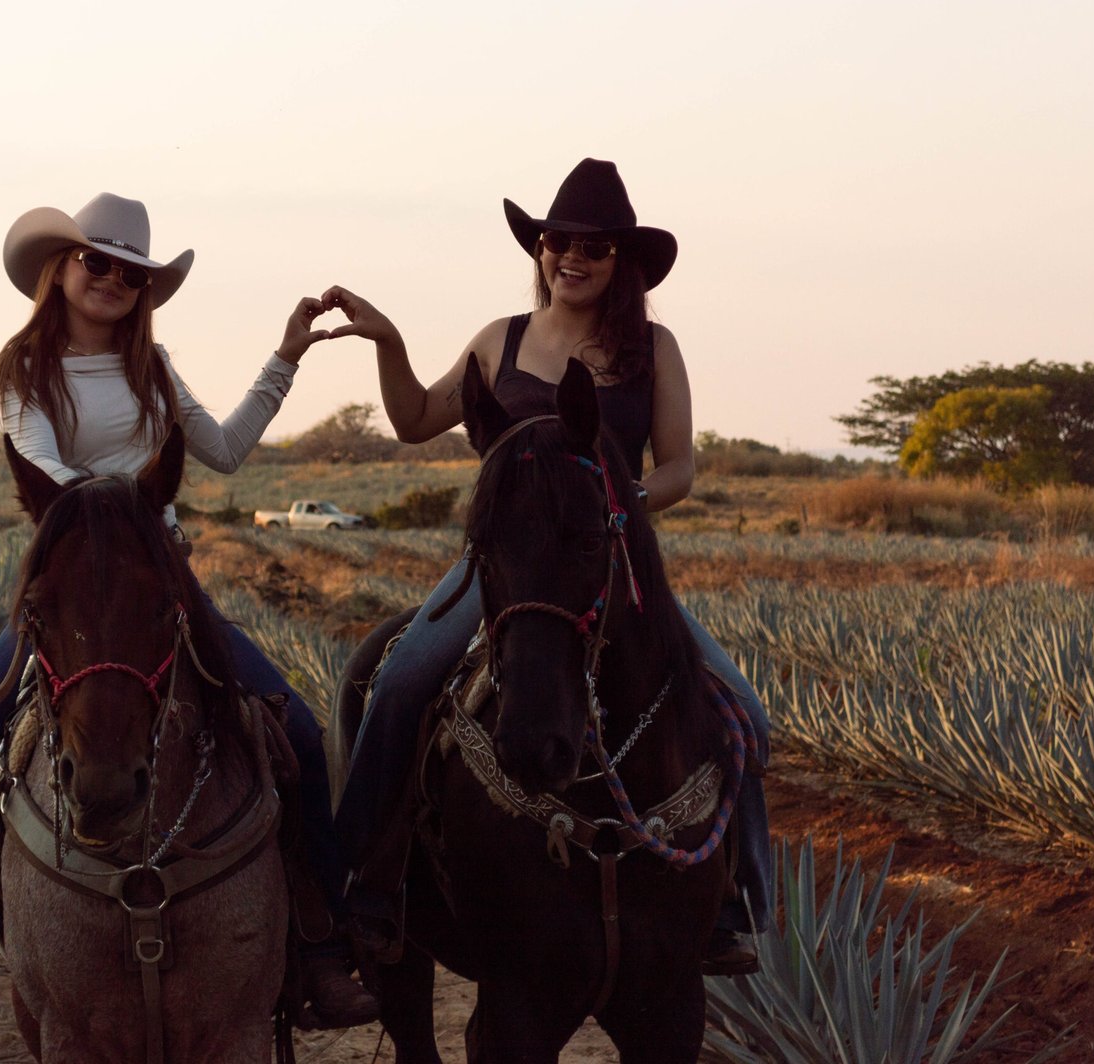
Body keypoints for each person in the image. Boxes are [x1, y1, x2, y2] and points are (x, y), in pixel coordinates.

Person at [0, 193, 378, 1043]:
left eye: (132, 272)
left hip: (163, 587)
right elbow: (39, 466)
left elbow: (223, 451)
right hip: (76, 587)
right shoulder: (23, 369)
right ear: (62, 268)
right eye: (97, 262)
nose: (113, 280)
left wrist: (286, 358)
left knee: (295, 732)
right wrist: (125, 509)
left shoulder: (153, 369)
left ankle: (321, 948)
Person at [323, 159, 773, 975]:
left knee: (743, 711)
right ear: (540, 250)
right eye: (557, 241)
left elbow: (678, 467)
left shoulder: (653, 348)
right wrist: (389, 341)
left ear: (620, 260)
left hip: (613, 566)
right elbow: (417, 419)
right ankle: (360, 887)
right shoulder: (502, 340)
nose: (571, 257)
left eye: (593, 246)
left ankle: (731, 902)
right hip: (502, 573)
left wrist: (622, 501)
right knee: (398, 683)